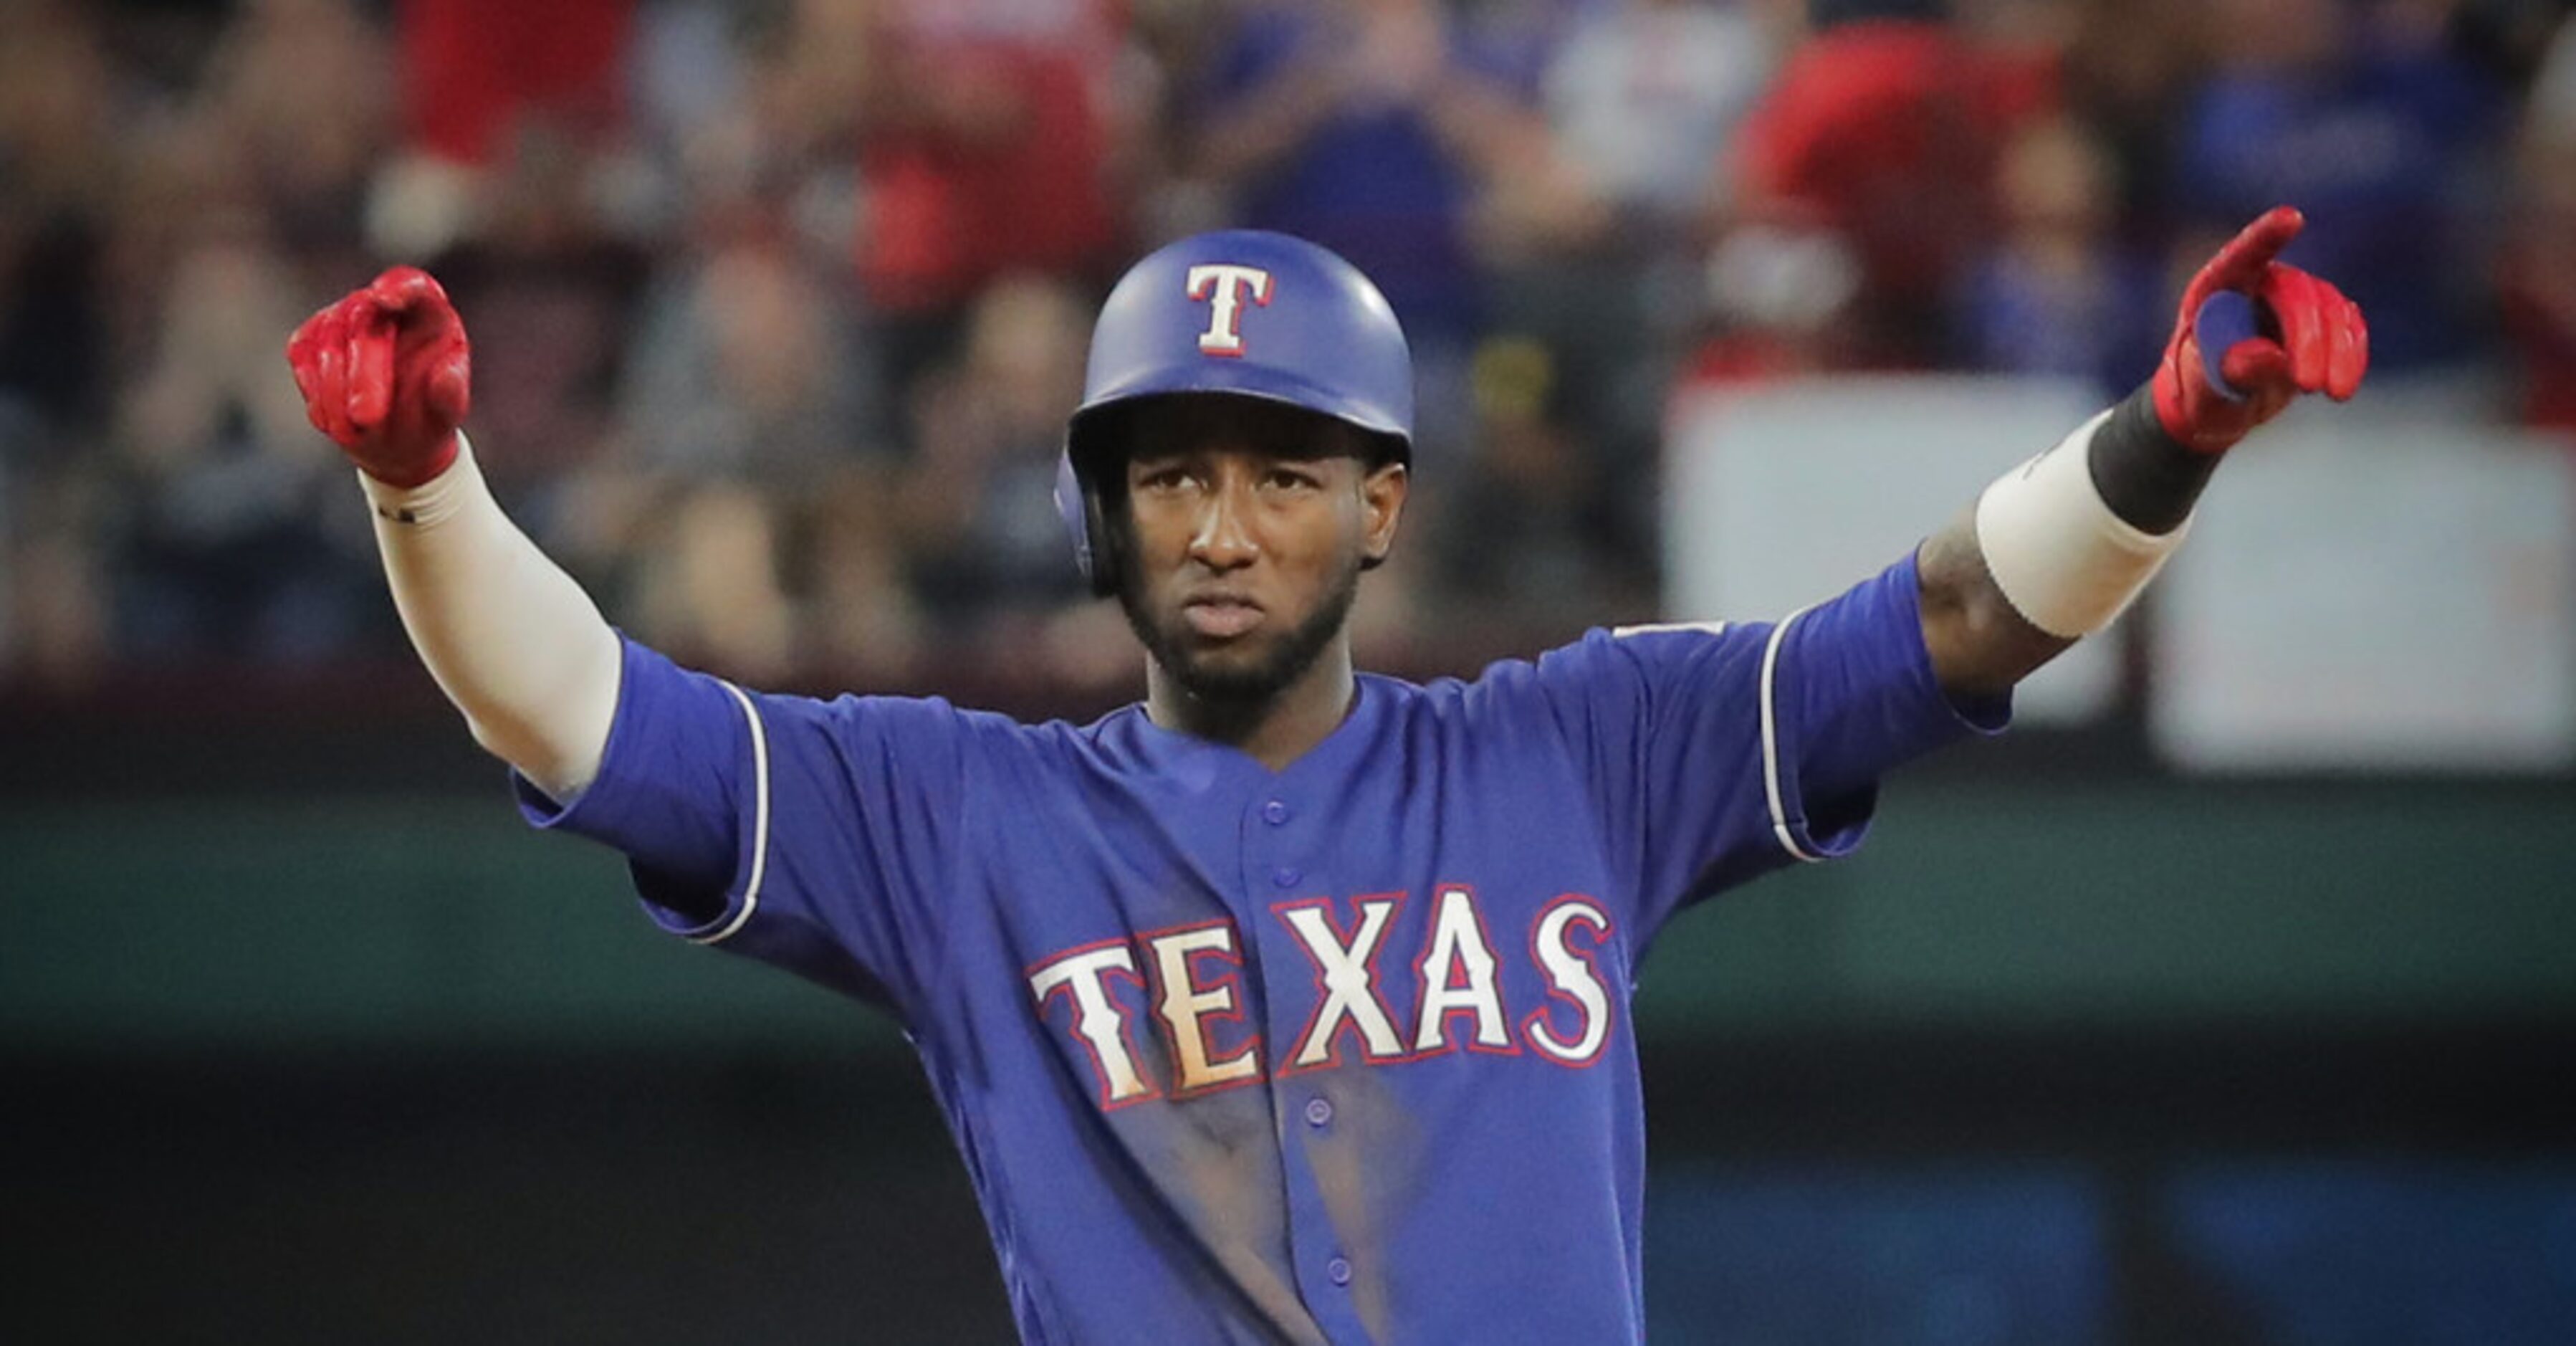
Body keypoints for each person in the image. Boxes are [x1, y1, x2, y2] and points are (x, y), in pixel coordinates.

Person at [284, 214, 2365, 1342]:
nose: (1217, 528)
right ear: (1099, 515)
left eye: (1280, 476)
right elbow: (584, 719)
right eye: (1167, 475)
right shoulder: (955, 820)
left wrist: (2166, 433)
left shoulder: (1582, 750)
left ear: (1377, 509)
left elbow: (1940, 627)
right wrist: (426, 484)